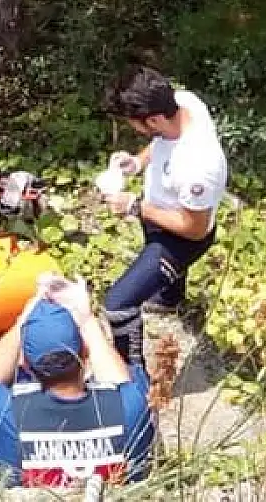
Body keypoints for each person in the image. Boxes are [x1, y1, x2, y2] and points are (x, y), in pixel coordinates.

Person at [0, 274, 157, 487]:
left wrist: (23, 322)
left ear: (25, 363)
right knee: (136, 379)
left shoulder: (9, 412)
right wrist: (87, 321)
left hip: (32, 489)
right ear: (85, 353)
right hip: (114, 488)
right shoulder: (131, 405)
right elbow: (125, 385)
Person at [99, 66, 230, 365]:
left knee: (118, 304)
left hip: (180, 240)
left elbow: (194, 229)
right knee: (161, 275)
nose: (133, 129)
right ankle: (169, 300)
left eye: (134, 124)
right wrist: (136, 163)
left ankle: (132, 376)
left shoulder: (199, 165)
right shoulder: (181, 103)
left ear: (153, 120)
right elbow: (160, 141)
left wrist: (136, 207)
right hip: (161, 216)